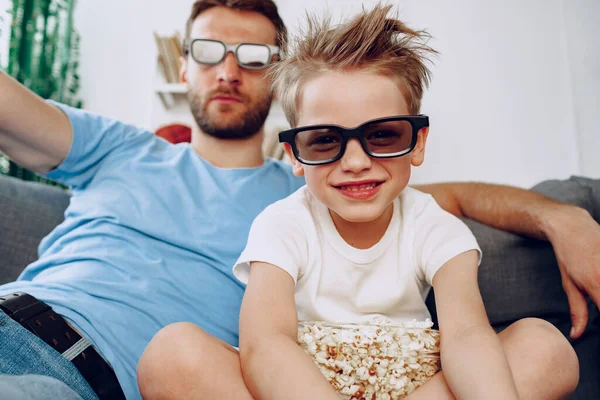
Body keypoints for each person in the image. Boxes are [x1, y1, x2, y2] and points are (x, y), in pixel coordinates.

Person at [0, 0, 597, 399]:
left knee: (545, 347)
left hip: (85, 377)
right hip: (15, 319)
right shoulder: (119, 147)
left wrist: (561, 215)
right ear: (183, 66)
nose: (229, 70)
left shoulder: (337, 191)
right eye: (209, 50)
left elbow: (455, 203)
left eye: (254, 56)